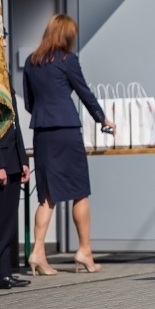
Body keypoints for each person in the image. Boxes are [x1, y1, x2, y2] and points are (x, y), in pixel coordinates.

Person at [23, 14, 115, 275]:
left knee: (47, 195)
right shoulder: (68, 60)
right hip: (66, 130)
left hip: (42, 132)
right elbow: (84, 92)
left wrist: (45, 113)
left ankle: (37, 252)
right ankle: (84, 250)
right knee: (80, 191)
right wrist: (103, 119)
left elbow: (29, 102)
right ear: (67, 36)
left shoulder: (32, 61)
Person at [0, 31, 32, 289]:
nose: (4, 42)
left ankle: (4, 270)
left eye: (4, 38)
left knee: (8, 221)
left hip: (12, 157)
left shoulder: (3, 74)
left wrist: (22, 159)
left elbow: (14, 123)